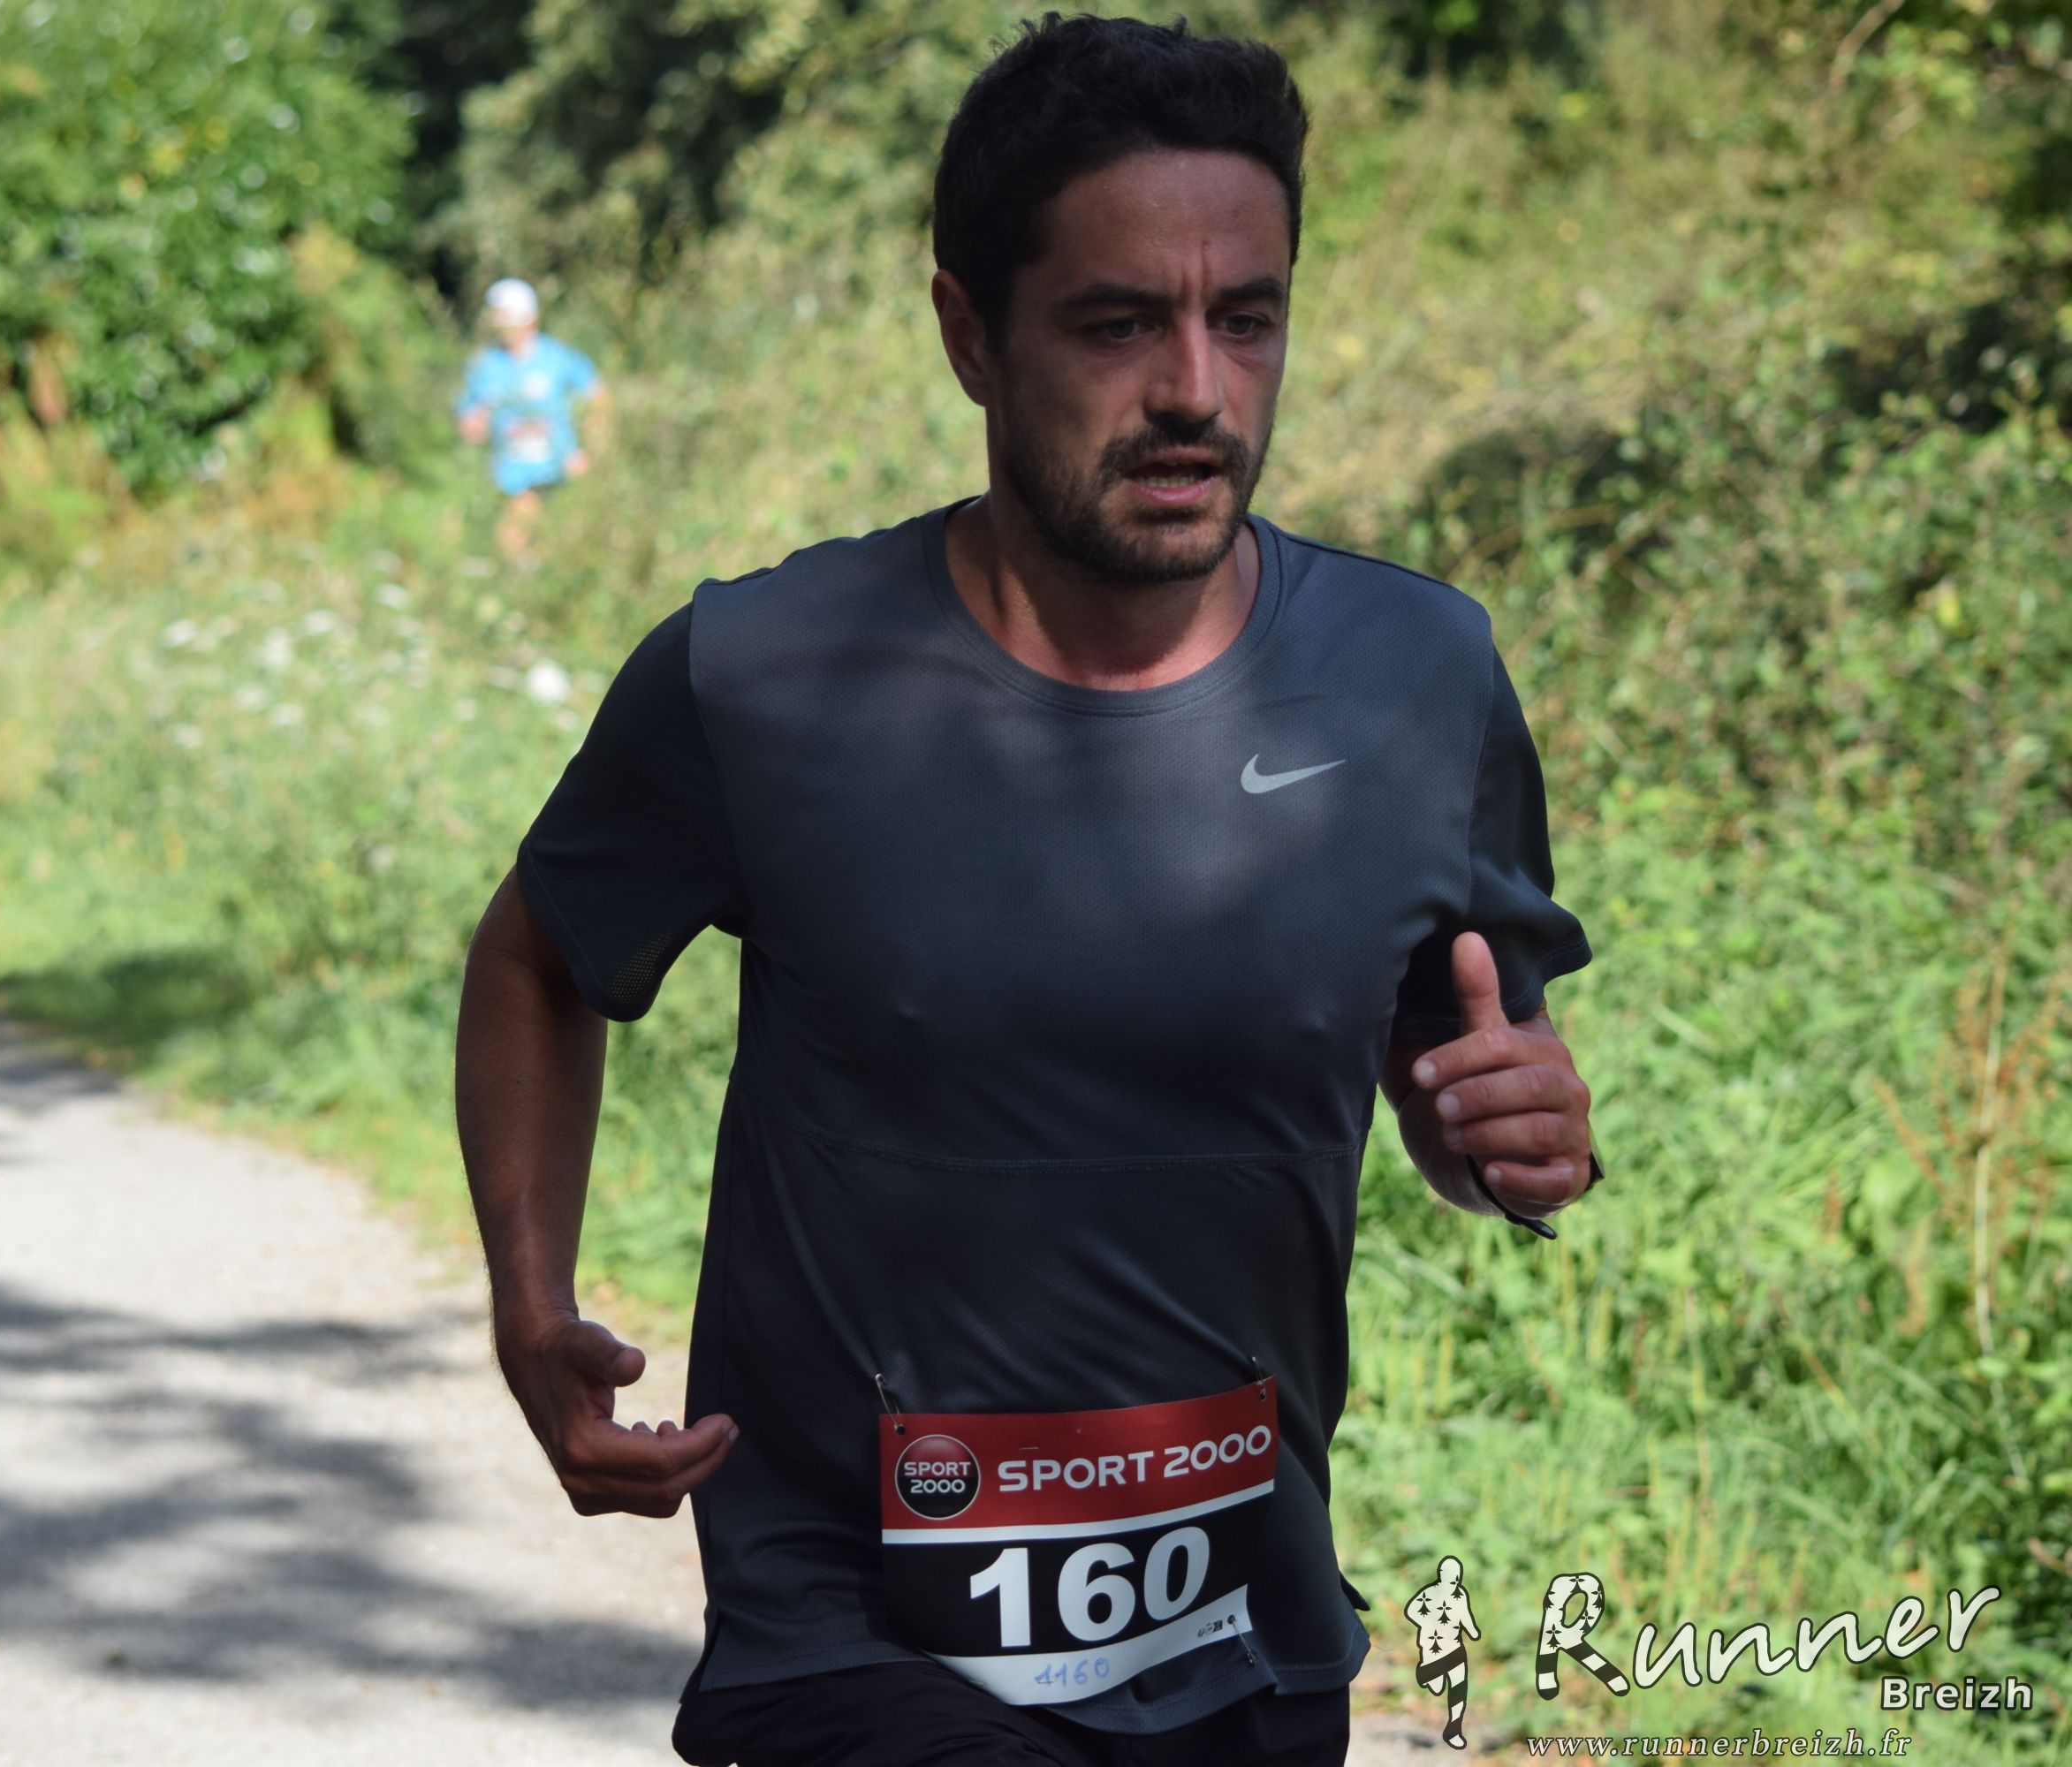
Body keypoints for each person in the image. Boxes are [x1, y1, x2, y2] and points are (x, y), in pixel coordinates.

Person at [453, 19, 1607, 1767]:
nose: (1195, 390)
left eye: (1247, 319)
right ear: (967, 335)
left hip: (1245, 1622)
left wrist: (1499, 1135)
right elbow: (542, 956)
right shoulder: (761, 675)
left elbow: (1452, 1061)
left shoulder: (1412, 678)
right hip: (850, 1631)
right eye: (1115, 322)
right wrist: (527, 1305)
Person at [453, 277, 608, 563]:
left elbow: (598, 397)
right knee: (516, 538)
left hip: (561, 472)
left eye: (506, 316)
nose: (499, 323)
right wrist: (474, 424)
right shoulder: (485, 365)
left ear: (528, 318)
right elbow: (468, 418)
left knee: (557, 544)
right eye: (496, 316)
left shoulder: (557, 358)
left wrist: (593, 449)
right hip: (510, 478)